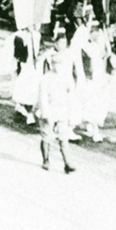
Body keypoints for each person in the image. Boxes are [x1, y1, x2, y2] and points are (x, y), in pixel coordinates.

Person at [35, 42, 75, 173]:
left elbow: (70, 95)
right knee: (46, 135)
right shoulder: (46, 78)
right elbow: (42, 97)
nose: (58, 66)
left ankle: (67, 163)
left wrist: (71, 113)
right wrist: (45, 113)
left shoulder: (66, 77)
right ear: (51, 65)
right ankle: (46, 159)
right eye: (55, 64)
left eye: (60, 64)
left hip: (62, 109)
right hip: (50, 109)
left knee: (63, 137)